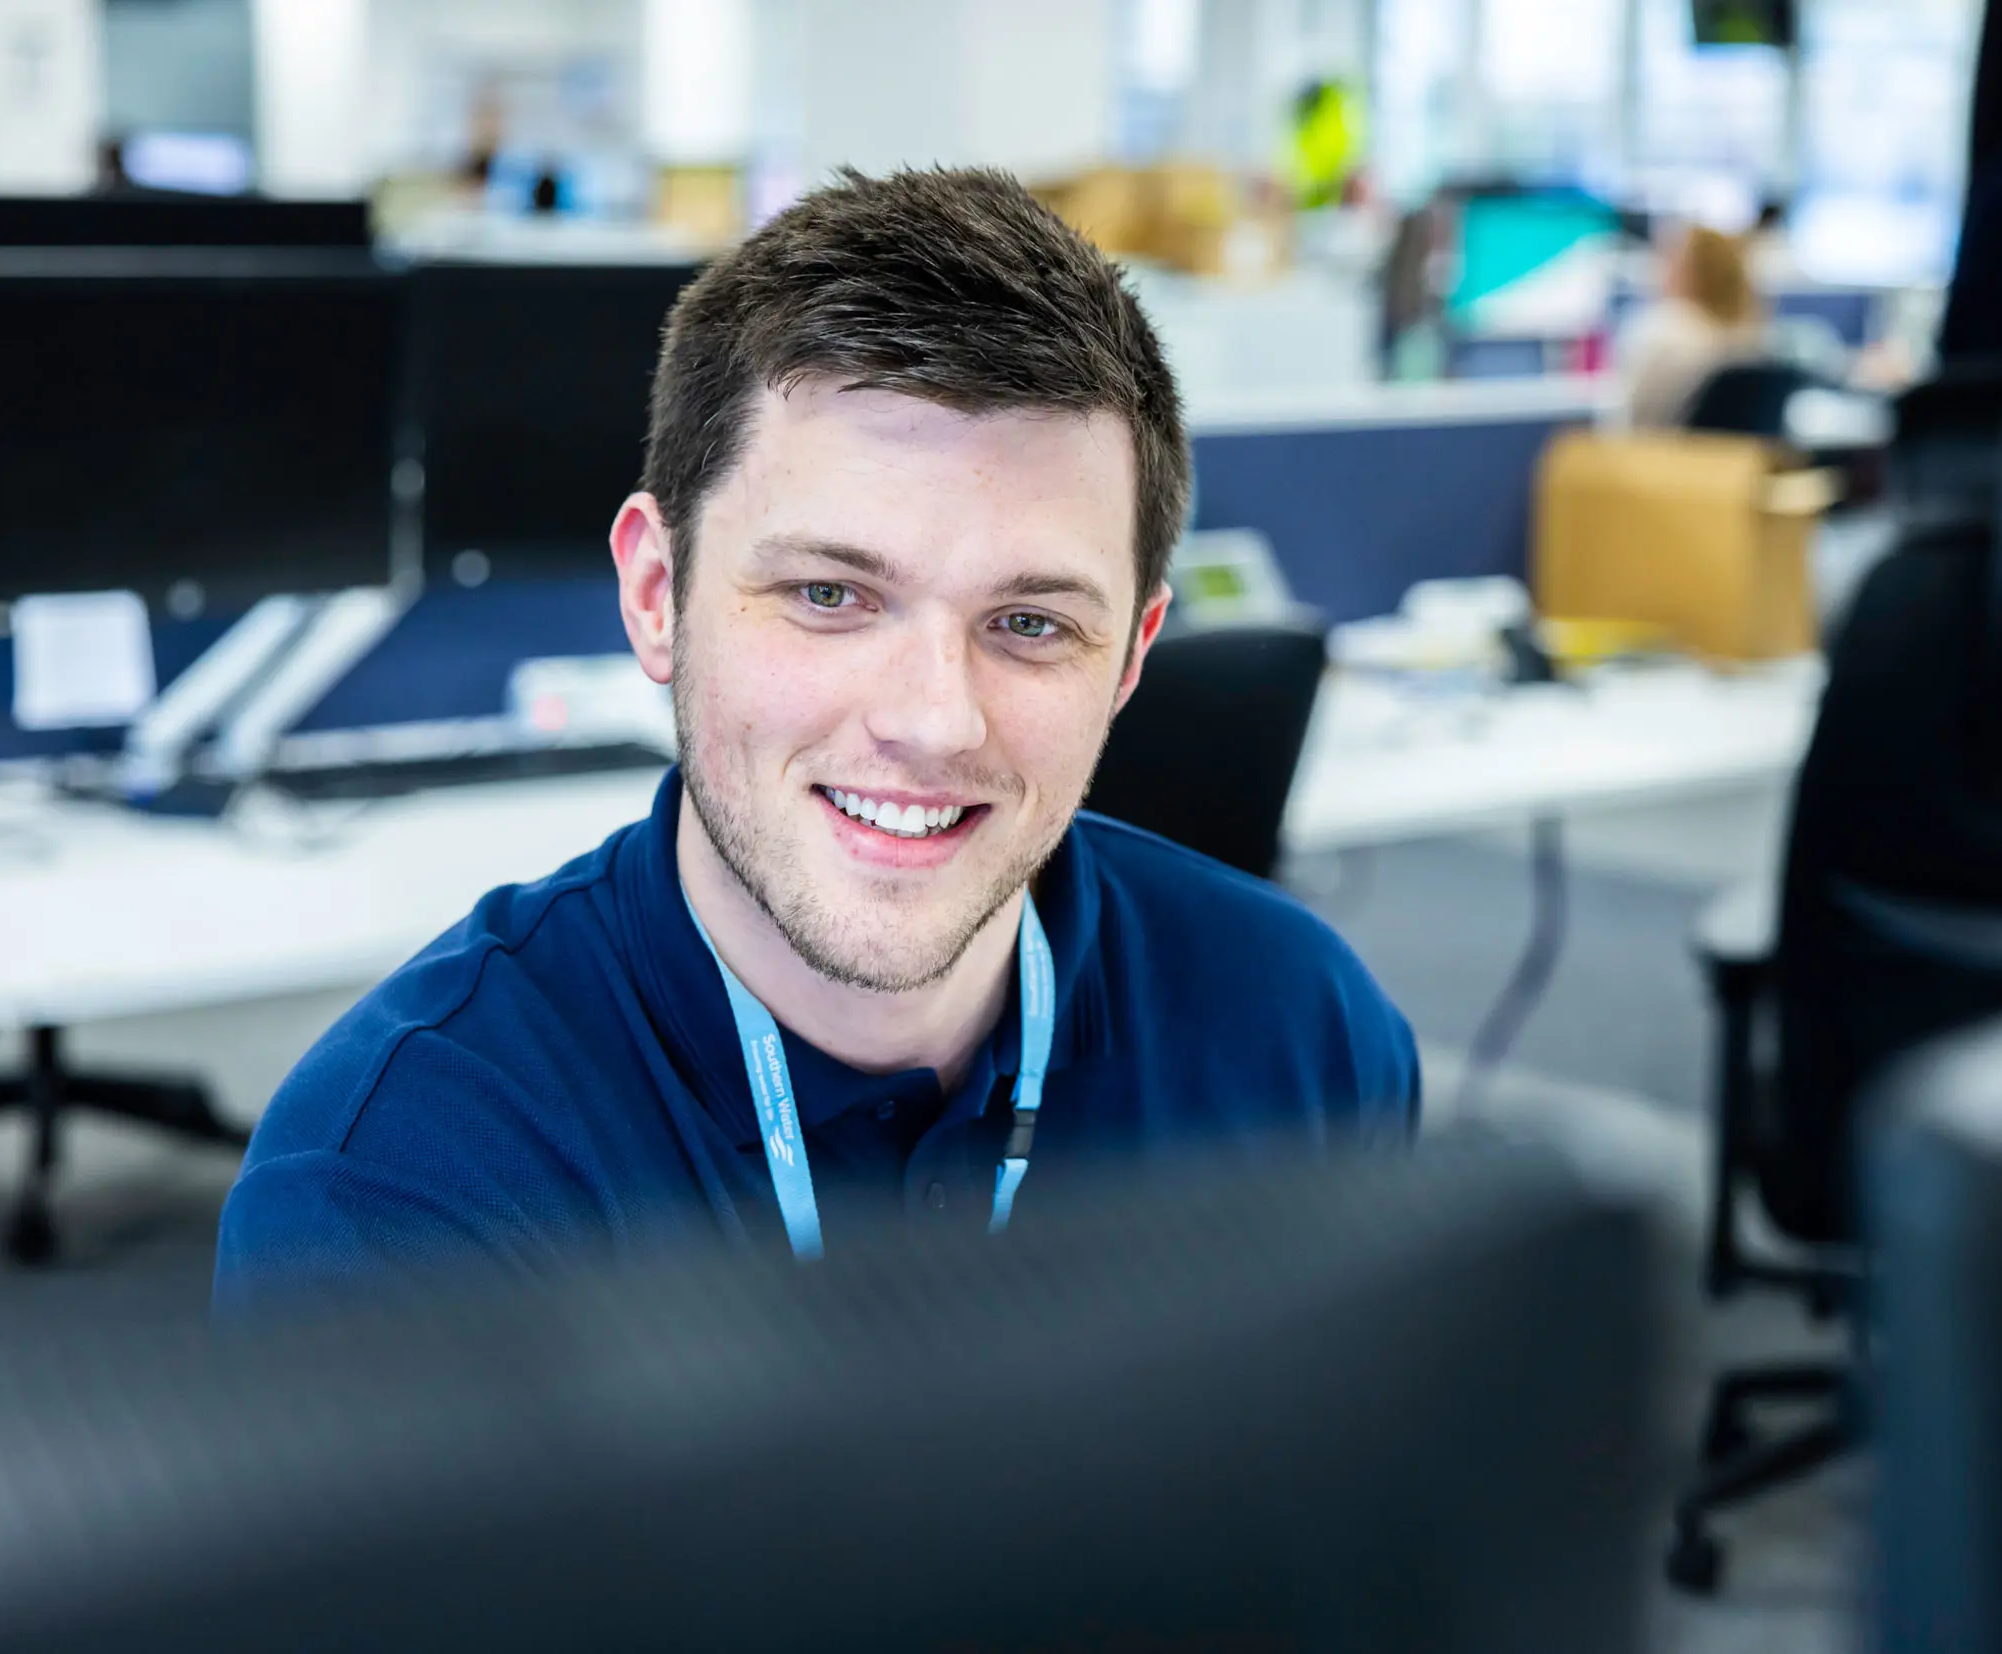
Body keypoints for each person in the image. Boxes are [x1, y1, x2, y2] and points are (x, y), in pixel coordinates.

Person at [214, 168, 1421, 1308]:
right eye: (828, 596)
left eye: (1029, 622)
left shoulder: (1300, 1037)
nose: (931, 720)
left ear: (1131, 655)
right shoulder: (405, 1188)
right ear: (655, 594)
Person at [1616, 223, 1767, 430]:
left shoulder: (1667, 326)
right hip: (1729, 456)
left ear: (1688, 271)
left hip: (1659, 454)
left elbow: (1630, 415)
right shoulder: (1749, 338)